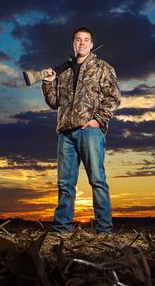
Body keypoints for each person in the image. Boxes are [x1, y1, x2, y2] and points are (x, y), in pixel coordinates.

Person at [41, 27, 121, 233]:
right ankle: (61, 230)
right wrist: (48, 84)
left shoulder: (102, 67)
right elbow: (54, 102)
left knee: (97, 180)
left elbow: (114, 97)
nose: (82, 43)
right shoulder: (64, 71)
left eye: (86, 40)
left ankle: (104, 230)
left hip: (90, 132)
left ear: (92, 44)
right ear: (73, 44)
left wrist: (99, 120)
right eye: (78, 40)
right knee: (65, 184)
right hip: (65, 133)